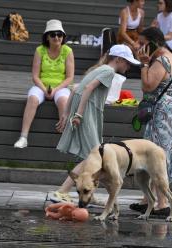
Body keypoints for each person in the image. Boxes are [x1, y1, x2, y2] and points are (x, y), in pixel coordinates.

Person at [51, 44, 140, 203]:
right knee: (94, 154)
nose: (129, 66)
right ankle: (62, 191)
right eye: (127, 62)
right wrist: (78, 113)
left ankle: (87, 192)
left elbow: (75, 88)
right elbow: (88, 89)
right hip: (86, 111)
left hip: (83, 109)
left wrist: (66, 112)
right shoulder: (108, 71)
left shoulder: (99, 69)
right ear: (118, 59)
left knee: (93, 155)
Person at [129, 27, 172, 216]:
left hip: (162, 114)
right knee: (157, 152)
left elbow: (148, 86)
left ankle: (162, 203)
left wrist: (144, 64)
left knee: (156, 155)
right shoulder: (171, 56)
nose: (138, 46)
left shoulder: (161, 59)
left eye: (142, 42)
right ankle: (147, 200)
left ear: (153, 42)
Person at [14, 19, 74, 149]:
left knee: (64, 101)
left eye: (59, 34)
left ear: (63, 36)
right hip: (41, 85)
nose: (56, 37)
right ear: (47, 36)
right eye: (53, 34)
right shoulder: (39, 50)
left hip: (61, 86)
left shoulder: (68, 51)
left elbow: (69, 77)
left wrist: (55, 90)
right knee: (32, 99)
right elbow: (35, 76)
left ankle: (66, 140)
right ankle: (23, 137)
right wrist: (45, 90)